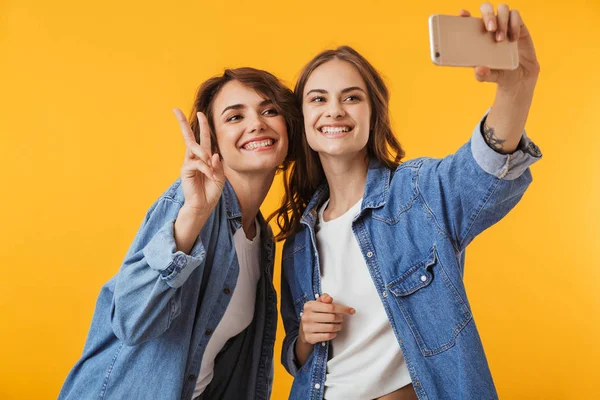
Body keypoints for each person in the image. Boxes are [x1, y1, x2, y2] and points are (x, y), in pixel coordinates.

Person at [274, 4, 543, 399]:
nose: (334, 110)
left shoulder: (418, 193)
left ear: (372, 114)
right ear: (302, 118)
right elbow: (297, 357)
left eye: (351, 97)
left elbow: (483, 168)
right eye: (318, 99)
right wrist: (304, 337)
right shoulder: (300, 241)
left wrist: (516, 87)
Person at [59, 67, 301, 400]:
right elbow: (131, 321)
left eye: (269, 110)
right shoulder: (190, 202)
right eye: (234, 117)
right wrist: (194, 215)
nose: (256, 123)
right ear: (213, 140)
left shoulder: (261, 238)